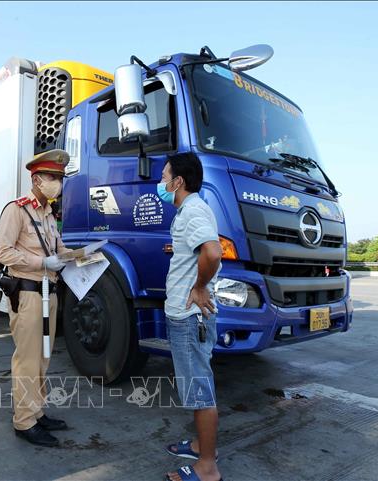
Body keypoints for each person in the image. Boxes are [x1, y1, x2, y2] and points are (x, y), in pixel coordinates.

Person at [0, 149, 71, 447]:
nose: (57, 183)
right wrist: (42, 264)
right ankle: (24, 422)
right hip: (27, 294)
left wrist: (79, 257)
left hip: (48, 293)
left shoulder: (49, 215)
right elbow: (3, 252)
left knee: (43, 358)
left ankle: (36, 412)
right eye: (52, 177)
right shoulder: (17, 210)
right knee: (27, 360)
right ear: (37, 179)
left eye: (60, 178)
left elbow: (59, 249)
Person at [159, 152, 223, 481]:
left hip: (188, 317)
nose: (162, 183)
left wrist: (199, 286)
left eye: (164, 176)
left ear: (178, 181)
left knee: (199, 391)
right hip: (187, 317)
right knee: (198, 384)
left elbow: (213, 251)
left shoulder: (193, 209)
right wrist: (179, 248)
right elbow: (198, 247)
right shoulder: (189, 211)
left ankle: (207, 467)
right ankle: (200, 446)